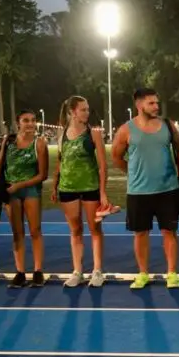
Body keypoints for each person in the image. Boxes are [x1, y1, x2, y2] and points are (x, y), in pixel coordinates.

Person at [112, 88, 179, 289]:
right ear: (139, 105)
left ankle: (172, 273)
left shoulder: (167, 125)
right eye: (151, 103)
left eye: (156, 102)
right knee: (140, 234)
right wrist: (132, 173)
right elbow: (116, 156)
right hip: (138, 192)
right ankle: (143, 273)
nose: (156, 106)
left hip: (168, 189)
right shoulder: (126, 129)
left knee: (169, 232)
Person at [52, 96, 111, 287]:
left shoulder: (93, 133)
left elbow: (103, 165)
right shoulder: (61, 134)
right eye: (83, 109)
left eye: (87, 109)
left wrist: (102, 192)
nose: (87, 112)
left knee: (95, 229)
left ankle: (97, 270)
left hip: (90, 187)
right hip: (67, 188)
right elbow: (60, 162)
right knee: (75, 230)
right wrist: (55, 185)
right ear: (72, 111)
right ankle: (77, 271)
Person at [0, 110, 49, 287]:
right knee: (17, 233)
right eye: (26, 120)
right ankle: (20, 272)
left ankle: (38, 271)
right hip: (10, 191)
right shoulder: (8, 141)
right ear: (18, 123)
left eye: (33, 120)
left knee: (35, 230)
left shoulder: (39, 143)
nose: (30, 124)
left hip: (30, 190)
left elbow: (42, 175)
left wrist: (20, 185)